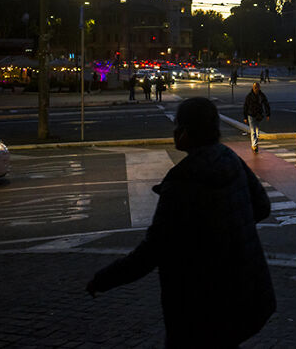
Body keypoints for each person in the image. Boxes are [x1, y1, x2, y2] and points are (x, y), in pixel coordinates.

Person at [86, 97, 276, 348]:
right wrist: (227, 228)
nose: (174, 131)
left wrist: (104, 279)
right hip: (244, 292)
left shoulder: (183, 181)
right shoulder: (229, 158)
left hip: (198, 302)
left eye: (178, 125)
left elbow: (153, 250)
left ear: (188, 131)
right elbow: (262, 206)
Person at [243, 82, 270, 153]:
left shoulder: (261, 96)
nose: (256, 89)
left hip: (258, 115)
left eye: (257, 87)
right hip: (251, 115)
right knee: (253, 131)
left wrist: (268, 114)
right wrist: (245, 117)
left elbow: (266, 104)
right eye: (255, 87)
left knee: (257, 131)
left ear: (259, 88)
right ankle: (254, 145)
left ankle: (255, 144)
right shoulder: (249, 96)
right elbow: (245, 106)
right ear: (253, 88)